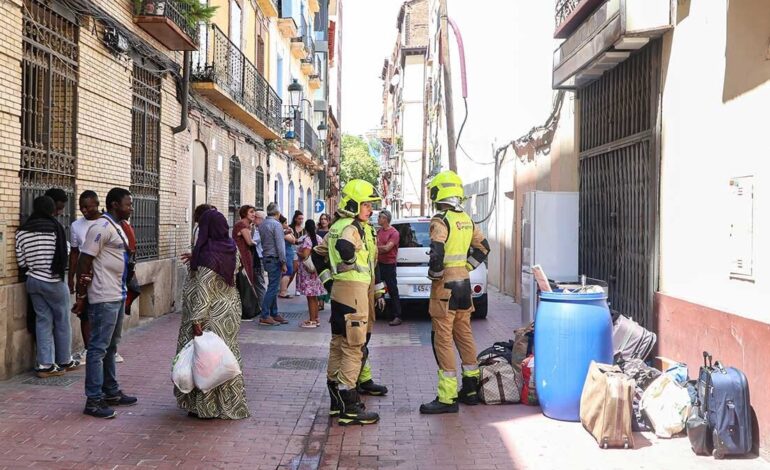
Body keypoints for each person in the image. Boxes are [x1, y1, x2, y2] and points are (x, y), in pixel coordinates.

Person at [312, 179, 387, 426]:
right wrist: (348, 262)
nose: (370, 209)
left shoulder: (338, 225)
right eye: (366, 204)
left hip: (343, 292)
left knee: (338, 344)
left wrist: (329, 283)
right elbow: (345, 247)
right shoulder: (351, 227)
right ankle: (349, 405)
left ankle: (336, 401)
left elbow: (316, 255)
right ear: (354, 203)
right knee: (354, 347)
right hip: (354, 292)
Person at [419, 171, 490, 414]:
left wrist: (435, 275)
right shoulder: (466, 219)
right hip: (464, 285)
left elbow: (437, 253)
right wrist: (467, 267)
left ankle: (447, 397)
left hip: (446, 288)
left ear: (439, 192)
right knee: (464, 334)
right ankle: (470, 389)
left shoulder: (440, 220)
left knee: (443, 338)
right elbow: (484, 247)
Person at [175, 209, 250, 420]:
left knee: (206, 361)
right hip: (230, 311)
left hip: (211, 315)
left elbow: (204, 292)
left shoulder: (207, 255)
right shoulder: (229, 248)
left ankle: (206, 408)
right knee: (225, 358)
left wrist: (196, 322)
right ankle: (229, 401)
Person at [73, 187, 138, 419]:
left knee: (111, 346)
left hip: (117, 294)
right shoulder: (100, 227)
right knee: (98, 348)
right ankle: (93, 400)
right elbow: (84, 260)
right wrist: (81, 294)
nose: (130, 208)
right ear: (113, 205)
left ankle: (110, 391)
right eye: (127, 204)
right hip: (103, 296)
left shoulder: (116, 226)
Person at [16, 195, 78, 378]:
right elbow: (65, 252)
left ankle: (45, 364)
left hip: (33, 281)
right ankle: (64, 360)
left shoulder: (21, 231)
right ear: (51, 210)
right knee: (62, 320)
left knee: (42, 321)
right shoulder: (55, 229)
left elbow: (21, 262)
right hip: (53, 281)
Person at [68, 191, 102, 363]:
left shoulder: (107, 223)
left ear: (96, 204)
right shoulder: (76, 226)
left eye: (88, 207)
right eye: (81, 207)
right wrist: (71, 277)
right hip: (83, 275)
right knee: (84, 313)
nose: (84, 210)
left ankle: (108, 350)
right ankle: (89, 350)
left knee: (104, 313)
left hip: (103, 276)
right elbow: (74, 253)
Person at [257, 203, 289, 326]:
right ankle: (265, 315)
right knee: (273, 288)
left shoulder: (263, 224)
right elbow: (280, 246)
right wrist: (284, 262)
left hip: (266, 257)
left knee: (272, 286)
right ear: (278, 213)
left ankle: (274, 313)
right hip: (275, 258)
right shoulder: (277, 225)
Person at [296, 219, 326, 328]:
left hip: (308, 272)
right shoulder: (319, 238)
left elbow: (305, 255)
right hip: (317, 269)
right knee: (315, 296)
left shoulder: (308, 240)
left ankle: (312, 320)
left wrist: (298, 252)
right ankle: (316, 318)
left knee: (310, 297)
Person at [377, 210, 403, 326]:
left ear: (386, 219)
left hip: (389, 264)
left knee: (392, 290)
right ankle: (380, 312)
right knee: (378, 289)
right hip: (378, 263)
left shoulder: (394, 233)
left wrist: (375, 249)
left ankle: (397, 315)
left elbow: (387, 248)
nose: (378, 219)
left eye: (380, 217)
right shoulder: (378, 231)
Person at [233, 205, 258, 321]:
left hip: (245, 255)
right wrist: (255, 242)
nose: (254, 214)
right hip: (242, 256)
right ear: (244, 213)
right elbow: (249, 241)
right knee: (244, 283)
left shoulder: (247, 225)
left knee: (246, 281)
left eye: (254, 212)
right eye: (251, 212)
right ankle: (245, 311)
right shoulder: (242, 225)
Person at [279, 211, 304, 297]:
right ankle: (283, 290)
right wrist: (290, 232)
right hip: (288, 252)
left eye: (302, 219)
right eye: (285, 223)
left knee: (291, 271)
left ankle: (284, 289)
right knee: (288, 271)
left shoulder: (285, 231)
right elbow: (293, 240)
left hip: (290, 252)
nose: (287, 224)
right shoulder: (283, 231)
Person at [251, 210, 267, 317]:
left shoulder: (260, 230)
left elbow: (252, 241)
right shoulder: (256, 229)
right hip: (257, 258)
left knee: (260, 283)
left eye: (255, 217)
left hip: (259, 259)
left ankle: (264, 308)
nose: (253, 218)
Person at [316, 213, 331, 311]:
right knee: (319, 281)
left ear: (329, 221)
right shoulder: (317, 232)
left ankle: (326, 300)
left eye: (325, 219)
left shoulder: (332, 232)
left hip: (329, 259)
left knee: (327, 281)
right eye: (322, 219)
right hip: (319, 258)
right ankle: (320, 302)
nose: (323, 221)